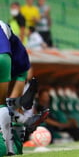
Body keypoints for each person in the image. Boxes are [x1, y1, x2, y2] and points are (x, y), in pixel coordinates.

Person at [0, 20, 48, 155]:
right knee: (8, 106)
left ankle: (20, 116)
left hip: (7, 56)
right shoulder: (4, 26)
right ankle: (21, 116)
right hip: (17, 61)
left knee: (2, 105)